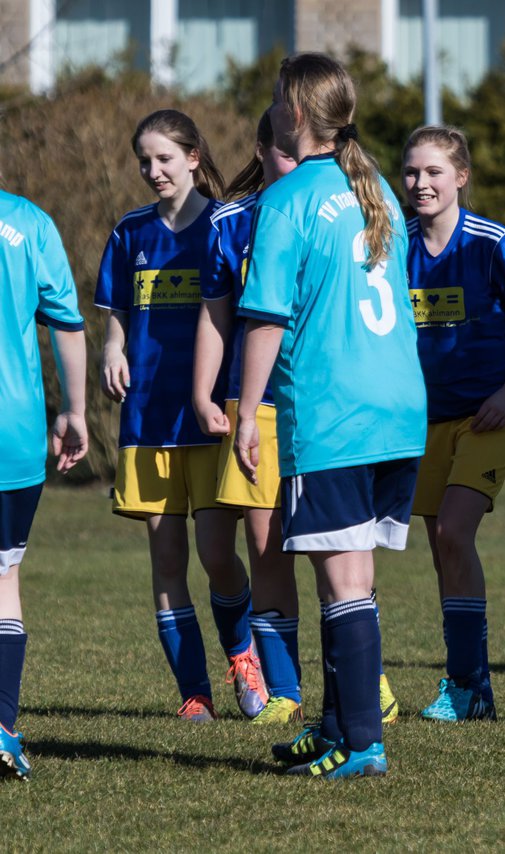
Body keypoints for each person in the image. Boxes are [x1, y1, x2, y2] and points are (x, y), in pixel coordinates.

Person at [237, 52, 426, 778]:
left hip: (335, 411)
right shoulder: (372, 183)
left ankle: (364, 745)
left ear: (295, 115)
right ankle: (333, 725)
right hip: (397, 406)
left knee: (343, 583)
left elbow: (265, 318)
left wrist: (249, 412)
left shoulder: (286, 199)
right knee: (347, 577)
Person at [95, 109, 265, 722]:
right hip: (147, 421)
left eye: (165, 157)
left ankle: (244, 656)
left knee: (218, 553)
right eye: (145, 160)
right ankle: (194, 694)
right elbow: (116, 312)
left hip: (211, 419)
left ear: (194, 157)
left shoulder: (226, 227)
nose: (153, 170)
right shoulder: (129, 232)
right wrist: (113, 349)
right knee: (166, 563)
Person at [400, 126, 505, 723]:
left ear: (461, 177)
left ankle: (469, 684)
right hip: (421, 420)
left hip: (488, 416)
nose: (421, 183)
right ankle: (468, 690)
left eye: (433, 172)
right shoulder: (391, 246)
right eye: (411, 173)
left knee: (454, 534)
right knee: (440, 548)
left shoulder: (495, 243)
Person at [191, 109, 309, 726]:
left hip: (310, 401)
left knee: (281, 544)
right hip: (246, 400)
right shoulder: (231, 223)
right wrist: (204, 392)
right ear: (262, 150)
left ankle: (288, 687)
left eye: (302, 152)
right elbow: (216, 315)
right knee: (218, 546)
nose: (293, 164)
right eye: (284, 151)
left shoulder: (324, 213)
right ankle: (254, 664)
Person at [0, 188, 89, 782]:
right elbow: (66, 322)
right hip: (13, 430)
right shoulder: (29, 220)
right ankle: (3, 730)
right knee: (3, 575)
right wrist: (75, 410)